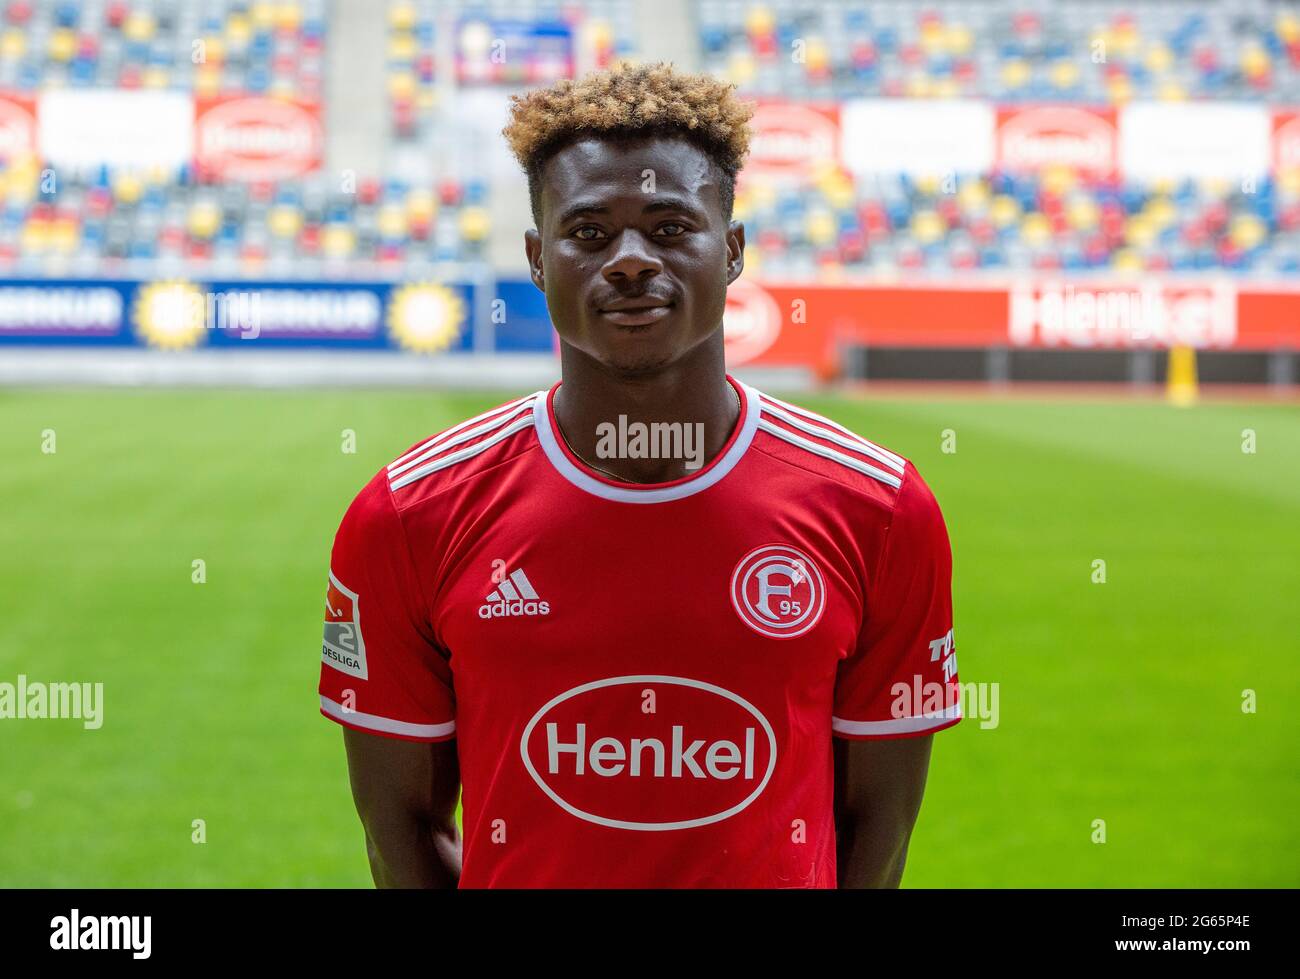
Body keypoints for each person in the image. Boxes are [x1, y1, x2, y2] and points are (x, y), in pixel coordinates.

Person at [318, 61, 961, 888]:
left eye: (668, 228)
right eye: (588, 232)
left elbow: (881, 824)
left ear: (730, 251)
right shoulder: (407, 515)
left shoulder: (880, 509)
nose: (628, 260)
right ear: (536, 259)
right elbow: (397, 827)